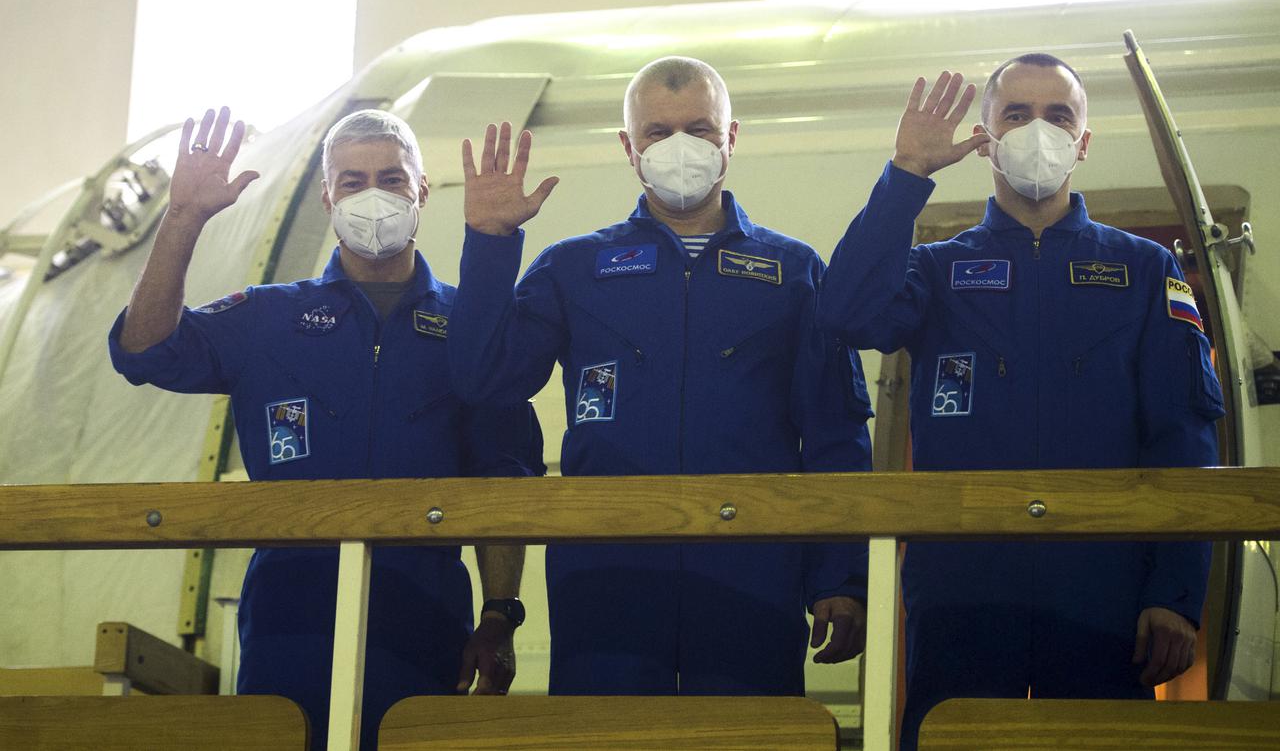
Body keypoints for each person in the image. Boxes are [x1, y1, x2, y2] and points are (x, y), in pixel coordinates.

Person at [816, 56, 1224, 750]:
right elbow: (846, 314)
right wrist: (907, 174)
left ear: (1083, 142)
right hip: (963, 587)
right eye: (1017, 114)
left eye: (1058, 116)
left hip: (1105, 588)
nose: (1039, 130)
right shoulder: (937, 269)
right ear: (986, 138)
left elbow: (1182, 437)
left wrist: (1176, 594)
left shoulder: (1142, 269)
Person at [109, 107, 542, 750]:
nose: (373, 195)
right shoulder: (267, 318)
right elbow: (143, 351)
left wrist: (500, 614)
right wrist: (183, 217)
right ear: (326, 195)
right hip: (289, 613)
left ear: (423, 190)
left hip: (424, 614)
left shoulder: (470, 330)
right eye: (352, 181)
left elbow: (502, 475)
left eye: (392, 179)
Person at [447, 56, 874, 695]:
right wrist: (489, 241)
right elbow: (484, 381)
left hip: (752, 570)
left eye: (699, 130)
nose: (680, 147)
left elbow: (835, 432)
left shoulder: (793, 271)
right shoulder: (572, 268)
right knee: (606, 736)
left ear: (730, 139)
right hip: (605, 575)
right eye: (658, 132)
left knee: (749, 738)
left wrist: (840, 577)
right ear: (630, 147)